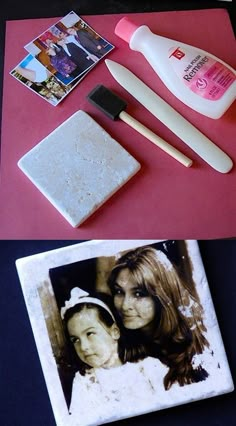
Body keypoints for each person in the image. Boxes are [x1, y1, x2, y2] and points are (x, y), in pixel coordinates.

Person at [108, 246, 210, 390]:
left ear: (162, 297)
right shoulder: (117, 344)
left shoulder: (198, 345)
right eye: (119, 292)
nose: (125, 305)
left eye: (138, 294)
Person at [61, 287, 165, 425]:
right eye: (75, 340)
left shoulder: (148, 368)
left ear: (114, 332)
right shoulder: (84, 382)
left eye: (90, 333)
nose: (83, 347)